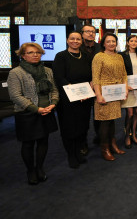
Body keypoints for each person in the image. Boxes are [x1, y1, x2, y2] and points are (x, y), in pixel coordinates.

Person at [7, 43, 59, 185]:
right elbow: (15, 96)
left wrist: (53, 103)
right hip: (27, 113)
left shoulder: (48, 70)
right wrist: (36, 109)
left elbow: (54, 90)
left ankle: (40, 168)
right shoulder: (16, 72)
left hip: (47, 111)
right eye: (30, 52)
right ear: (23, 55)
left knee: (43, 141)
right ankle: (30, 170)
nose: (35, 55)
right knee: (28, 144)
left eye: (38, 52)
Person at [52, 31, 92, 169]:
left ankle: (79, 152)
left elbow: (91, 76)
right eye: (72, 39)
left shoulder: (86, 56)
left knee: (82, 126)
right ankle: (71, 154)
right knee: (69, 128)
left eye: (78, 39)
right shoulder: (61, 56)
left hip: (85, 98)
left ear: (81, 41)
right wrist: (76, 93)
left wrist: (89, 89)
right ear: (67, 40)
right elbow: (59, 77)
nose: (75, 41)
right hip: (68, 99)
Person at [92, 33, 128, 161]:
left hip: (116, 92)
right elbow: (95, 77)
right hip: (104, 93)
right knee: (104, 122)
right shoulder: (99, 56)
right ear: (103, 43)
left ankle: (113, 144)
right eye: (108, 41)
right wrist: (98, 94)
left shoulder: (119, 57)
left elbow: (124, 74)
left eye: (114, 41)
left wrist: (125, 89)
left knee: (112, 121)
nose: (111, 43)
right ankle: (105, 148)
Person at [120, 35, 137, 148]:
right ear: (128, 42)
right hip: (128, 88)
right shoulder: (122, 55)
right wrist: (125, 85)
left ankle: (134, 135)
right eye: (131, 41)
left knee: (136, 112)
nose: (134, 43)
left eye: (136, 41)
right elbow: (120, 72)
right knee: (130, 114)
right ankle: (127, 136)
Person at [79, 24, 101, 152]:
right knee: (84, 116)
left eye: (93, 31)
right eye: (87, 31)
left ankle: (99, 136)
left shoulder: (99, 47)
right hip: (83, 86)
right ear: (82, 34)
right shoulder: (77, 46)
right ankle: (83, 142)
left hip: (99, 84)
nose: (90, 34)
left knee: (99, 114)